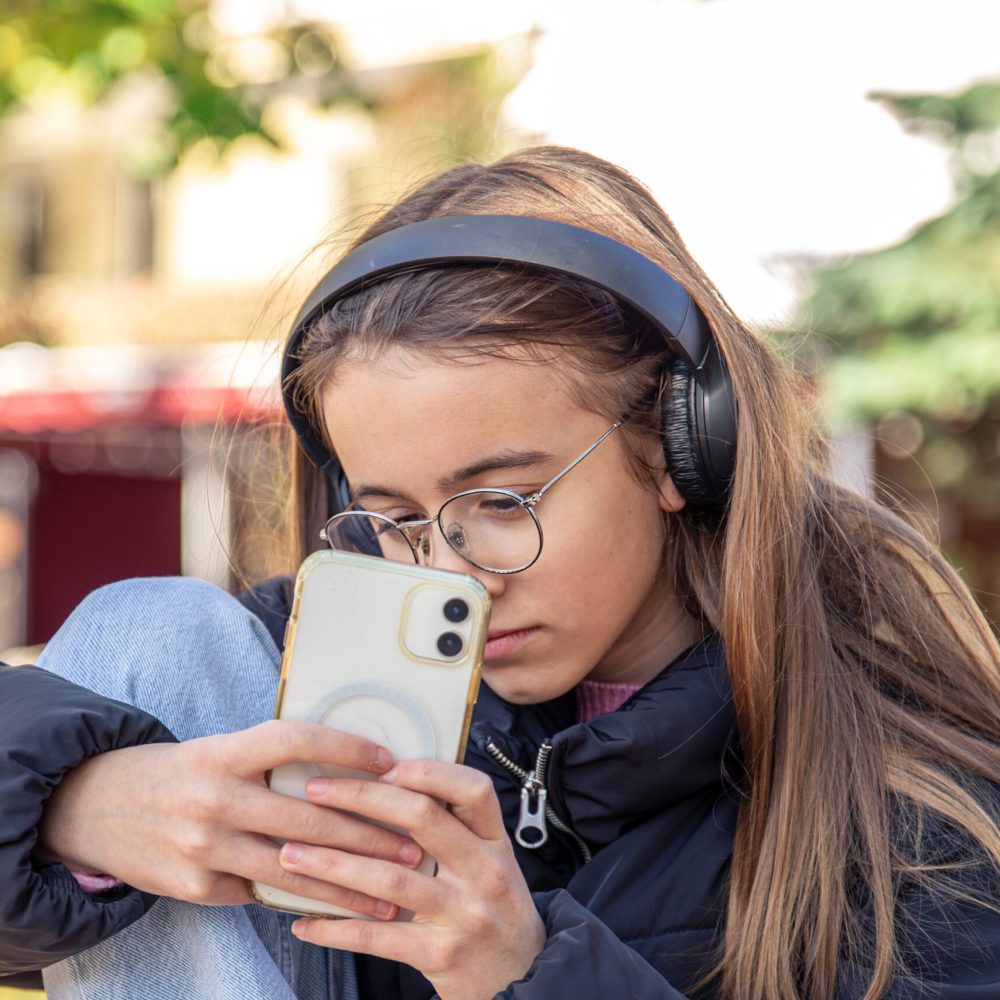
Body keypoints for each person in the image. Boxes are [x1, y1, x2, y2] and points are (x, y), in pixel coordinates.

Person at [1, 145, 999, 1000]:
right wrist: (73, 806)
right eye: (394, 518)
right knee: (146, 632)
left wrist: (524, 972)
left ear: (675, 448)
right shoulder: (292, 675)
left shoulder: (920, 821)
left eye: (504, 502)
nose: (453, 574)